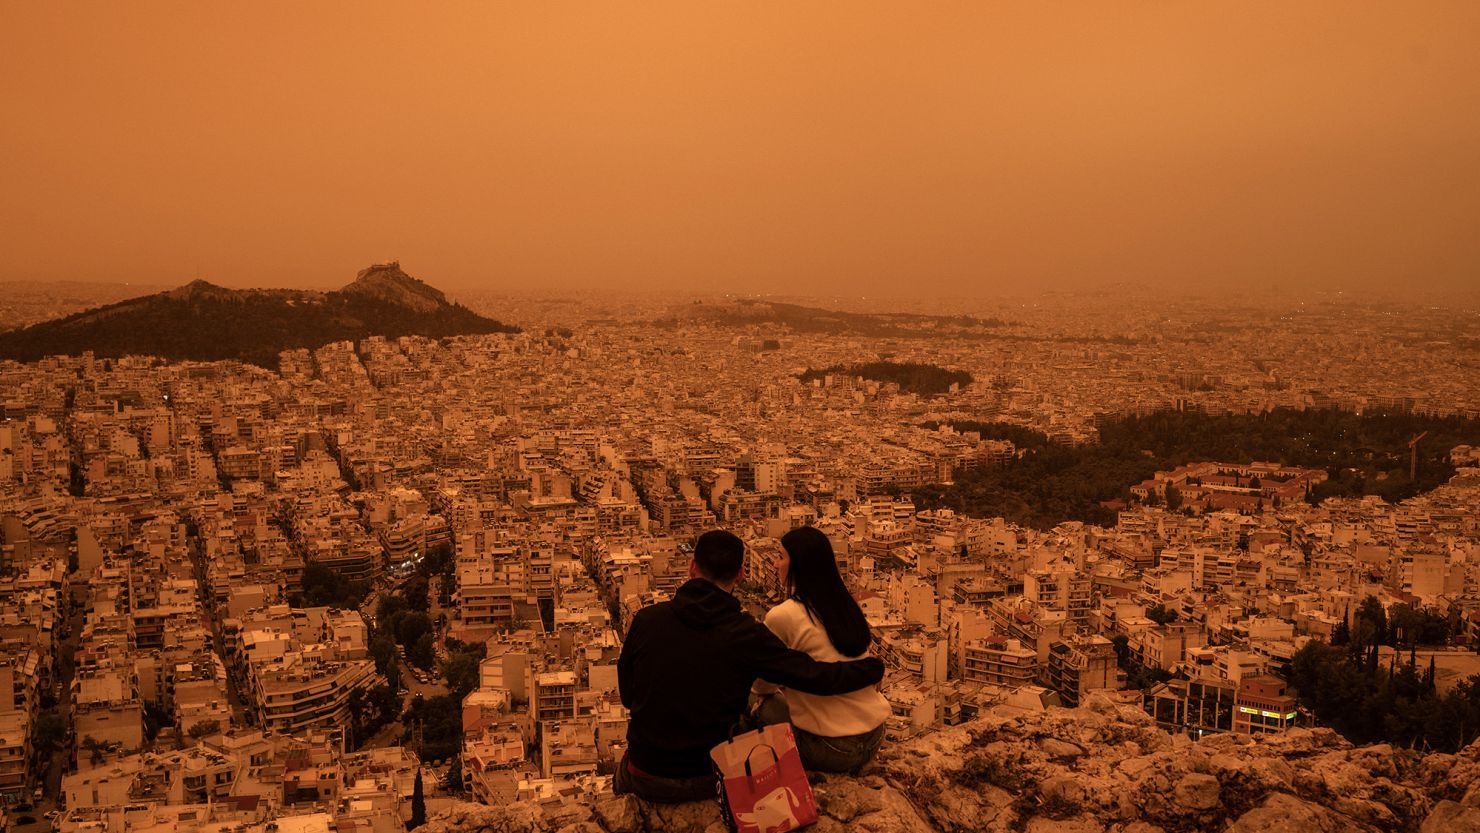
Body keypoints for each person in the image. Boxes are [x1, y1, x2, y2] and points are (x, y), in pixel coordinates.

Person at [617, 529, 886, 802]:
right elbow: (816, 676)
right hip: (713, 776)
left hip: (645, 775)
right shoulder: (747, 634)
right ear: (741, 575)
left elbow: (628, 696)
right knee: (750, 700)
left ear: (691, 567)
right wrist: (872, 669)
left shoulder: (646, 620)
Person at [752, 526, 891, 773]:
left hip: (832, 749)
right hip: (874, 737)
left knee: (751, 698)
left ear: (799, 565)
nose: (775, 564)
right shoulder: (847, 606)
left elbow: (762, 685)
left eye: (781, 557)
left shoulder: (782, 616)